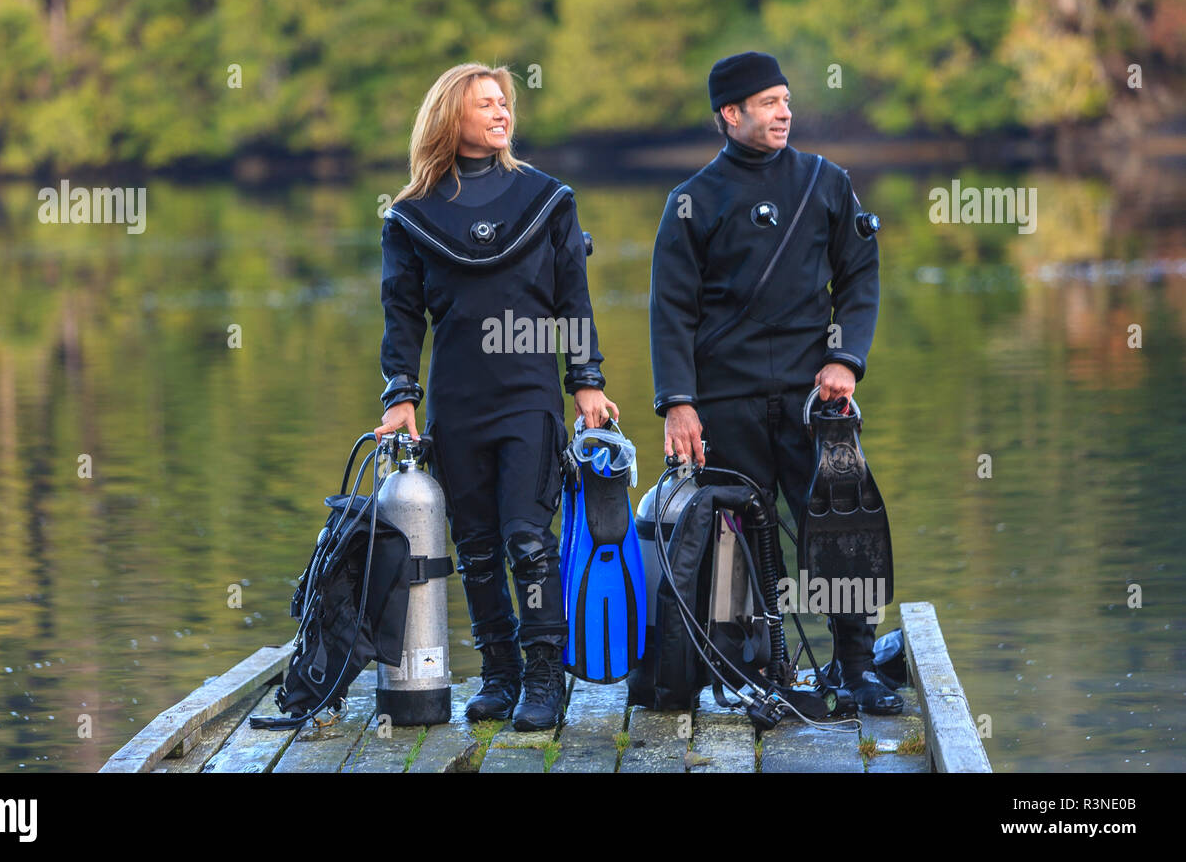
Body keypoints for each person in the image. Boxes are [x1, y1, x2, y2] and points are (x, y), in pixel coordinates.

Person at [649, 51, 902, 714]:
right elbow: (670, 310)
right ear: (730, 115)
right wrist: (679, 404)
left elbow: (859, 277)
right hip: (724, 402)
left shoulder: (826, 182)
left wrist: (845, 360)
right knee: (737, 540)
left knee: (843, 532)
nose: (784, 111)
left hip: (812, 398)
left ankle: (855, 668)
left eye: (786, 100)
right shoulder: (690, 202)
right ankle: (755, 670)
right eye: (768, 103)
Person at [375, 63, 618, 731]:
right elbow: (402, 313)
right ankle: (500, 672)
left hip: (528, 398)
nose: (500, 112)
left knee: (527, 539)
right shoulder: (412, 217)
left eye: (503, 102)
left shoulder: (546, 198)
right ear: (450, 117)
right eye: (484, 103)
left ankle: (544, 678)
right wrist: (401, 394)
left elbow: (574, 297)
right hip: (458, 400)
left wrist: (587, 381)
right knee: (476, 544)